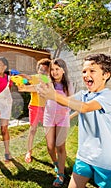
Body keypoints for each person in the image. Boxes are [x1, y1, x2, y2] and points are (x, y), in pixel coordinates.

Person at [37, 54, 111, 188]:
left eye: (92, 71)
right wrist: (46, 91)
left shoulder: (109, 96)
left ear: (106, 75)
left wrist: (53, 95)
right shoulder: (83, 95)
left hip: (106, 160)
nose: (86, 74)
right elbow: (67, 103)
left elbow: (84, 107)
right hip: (84, 156)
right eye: (84, 71)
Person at [43, 58, 73, 187]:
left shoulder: (68, 84)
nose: (54, 72)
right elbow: (35, 85)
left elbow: (71, 100)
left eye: (57, 69)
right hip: (49, 117)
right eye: (52, 69)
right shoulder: (48, 83)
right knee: (50, 147)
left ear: (63, 70)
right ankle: (56, 163)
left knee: (60, 146)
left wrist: (66, 110)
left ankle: (61, 174)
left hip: (62, 118)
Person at [17, 58, 51, 163]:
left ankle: (52, 150)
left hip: (46, 108)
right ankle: (29, 151)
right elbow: (27, 79)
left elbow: (44, 84)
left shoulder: (47, 80)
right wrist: (20, 79)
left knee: (48, 131)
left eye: (45, 70)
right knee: (32, 130)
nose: (42, 72)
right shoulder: (35, 77)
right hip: (34, 107)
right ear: (38, 70)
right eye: (41, 70)